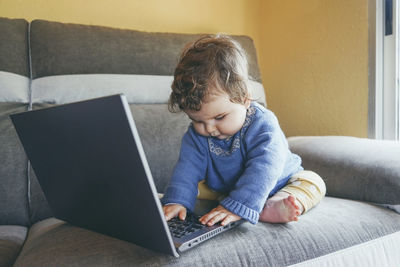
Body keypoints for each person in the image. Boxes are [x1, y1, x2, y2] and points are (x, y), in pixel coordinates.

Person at [161, 34, 326, 226]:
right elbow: (186, 169)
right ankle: (249, 203)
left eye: (219, 117)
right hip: (230, 190)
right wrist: (177, 201)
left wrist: (236, 205)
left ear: (245, 99)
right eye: (197, 120)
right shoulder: (196, 135)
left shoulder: (263, 124)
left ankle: (274, 205)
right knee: (200, 191)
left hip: (282, 182)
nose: (209, 129)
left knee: (314, 181)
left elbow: (265, 167)